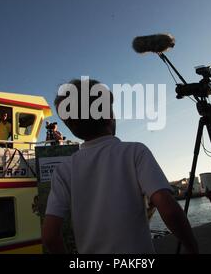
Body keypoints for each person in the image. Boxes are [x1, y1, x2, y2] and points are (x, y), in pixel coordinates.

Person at [42, 78, 198, 254]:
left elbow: (49, 236)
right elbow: (168, 209)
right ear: (109, 116)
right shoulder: (134, 152)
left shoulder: (64, 170)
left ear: (72, 127)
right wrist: (191, 247)